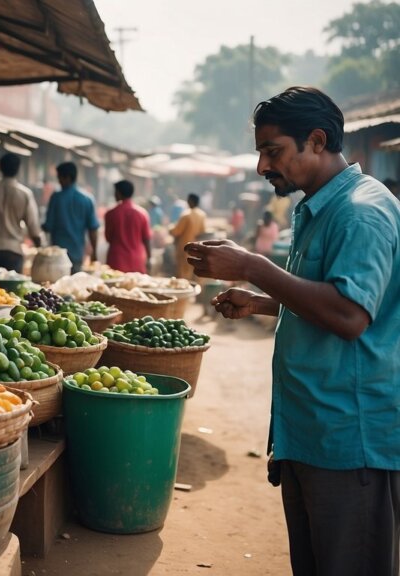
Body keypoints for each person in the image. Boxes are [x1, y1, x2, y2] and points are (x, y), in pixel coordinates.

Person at [184, 86, 400, 576]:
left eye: (273, 151)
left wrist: (253, 266)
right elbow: (327, 299)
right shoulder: (319, 205)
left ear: (317, 141)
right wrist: (264, 302)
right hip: (311, 431)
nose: (263, 166)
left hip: (349, 438)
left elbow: (349, 316)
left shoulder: (361, 213)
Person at [42, 161, 99, 274]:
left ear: (67, 177)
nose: (59, 181)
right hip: (77, 254)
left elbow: (48, 226)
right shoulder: (87, 199)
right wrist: (94, 252)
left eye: (60, 178)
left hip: (57, 256)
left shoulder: (56, 198)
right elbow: (93, 229)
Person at [103, 180, 151, 273]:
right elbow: (146, 239)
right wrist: (149, 258)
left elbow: (108, 238)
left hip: (116, 260)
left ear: (118, 193)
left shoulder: (111, 213)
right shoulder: (142, 213)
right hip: (137, 260)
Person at [169, 193, 208, 279]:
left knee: (183, 275)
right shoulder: (202, 215)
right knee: (195, 275)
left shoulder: (186, 215)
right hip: (197, 249)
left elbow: (176, 231)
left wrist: (170, 228)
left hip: (185, 248)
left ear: (190, 201)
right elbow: (203, 231)